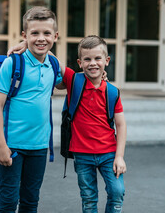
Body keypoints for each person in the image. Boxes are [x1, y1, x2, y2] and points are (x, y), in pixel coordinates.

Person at [0, 6, 64, 212]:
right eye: (34, 33)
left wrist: (100, 74)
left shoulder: (54, 65)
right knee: (8, 201)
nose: (41, 38)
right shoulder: (13, 63)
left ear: (56, 36)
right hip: (12, 145)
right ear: (25, 35)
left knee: (31, 201)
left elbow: (71, 80)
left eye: (47, 33)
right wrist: (0, 145)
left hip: (39, 147)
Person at [64, 35, 127, 213]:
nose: (93, 63)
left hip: (109, 153)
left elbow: (121, 125)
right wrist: (27, 43)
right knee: (89, 198)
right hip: (82, 154)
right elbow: (50, 58)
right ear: (80, 62)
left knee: (117, 191)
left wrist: (119, 156)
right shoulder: (73, 81)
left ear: (106, 61)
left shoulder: (112, 92)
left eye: (97, 58)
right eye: (87, 59)